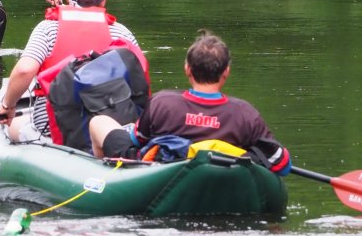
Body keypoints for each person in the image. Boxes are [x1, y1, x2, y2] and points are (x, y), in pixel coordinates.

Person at [88, 31, 291, 175]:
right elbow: (282, 165)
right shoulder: (245, 114)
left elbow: (137, 140)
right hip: (223, 174)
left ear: (187, 69)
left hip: (162, 172)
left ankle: (101, 176)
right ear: (226, 72)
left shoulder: (162, 102)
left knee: (98, 122)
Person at [0, 0, 144, 143]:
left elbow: (24, 71)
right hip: (111, 122)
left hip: (54, 125)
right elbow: (139, 82)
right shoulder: (122, 33)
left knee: (14, 123)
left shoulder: (48, 29)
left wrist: (7, 106)